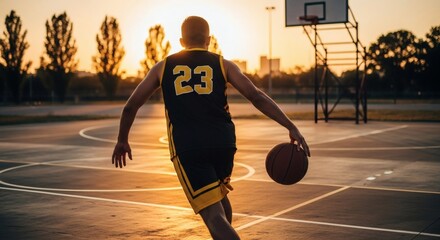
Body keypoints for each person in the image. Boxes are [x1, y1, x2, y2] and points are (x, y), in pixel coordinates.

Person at [112, 16, 310, 240]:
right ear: (209, 39)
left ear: (180, 40)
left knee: (213, 217)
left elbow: (130, 107)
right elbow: (256, 96)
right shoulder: (223, 64)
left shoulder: (163, 67)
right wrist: (290, 126)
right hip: (224, 143)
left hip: (189, 147)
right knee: (221, 200)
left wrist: (122, 140)